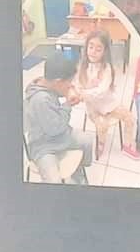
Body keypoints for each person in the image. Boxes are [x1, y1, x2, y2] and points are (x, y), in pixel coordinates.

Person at [23, 54, 94, 183]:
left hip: (59, 134)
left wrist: (70, 90)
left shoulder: (45, 82)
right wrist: (68, 105)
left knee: (87, 140)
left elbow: (57, 92)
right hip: (43, 145)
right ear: (58, 81)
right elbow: (55, 129)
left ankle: (78, 169)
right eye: (69, 82)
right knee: (53, 180)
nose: (70, 85)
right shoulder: (40, 100)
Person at [71, 30, 138, 159]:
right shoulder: (82, 67)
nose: (93, 52)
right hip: (94, 109)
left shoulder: (107, 68)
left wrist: (85, 92)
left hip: (110, 105)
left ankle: (127, 146)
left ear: (104, 51)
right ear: (86, 48)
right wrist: (83, 92)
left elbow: (102, 91)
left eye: (98, 49)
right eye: (91, 47)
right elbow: (77, 86)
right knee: (103, 125)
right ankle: (101, 144)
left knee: (130, 118)